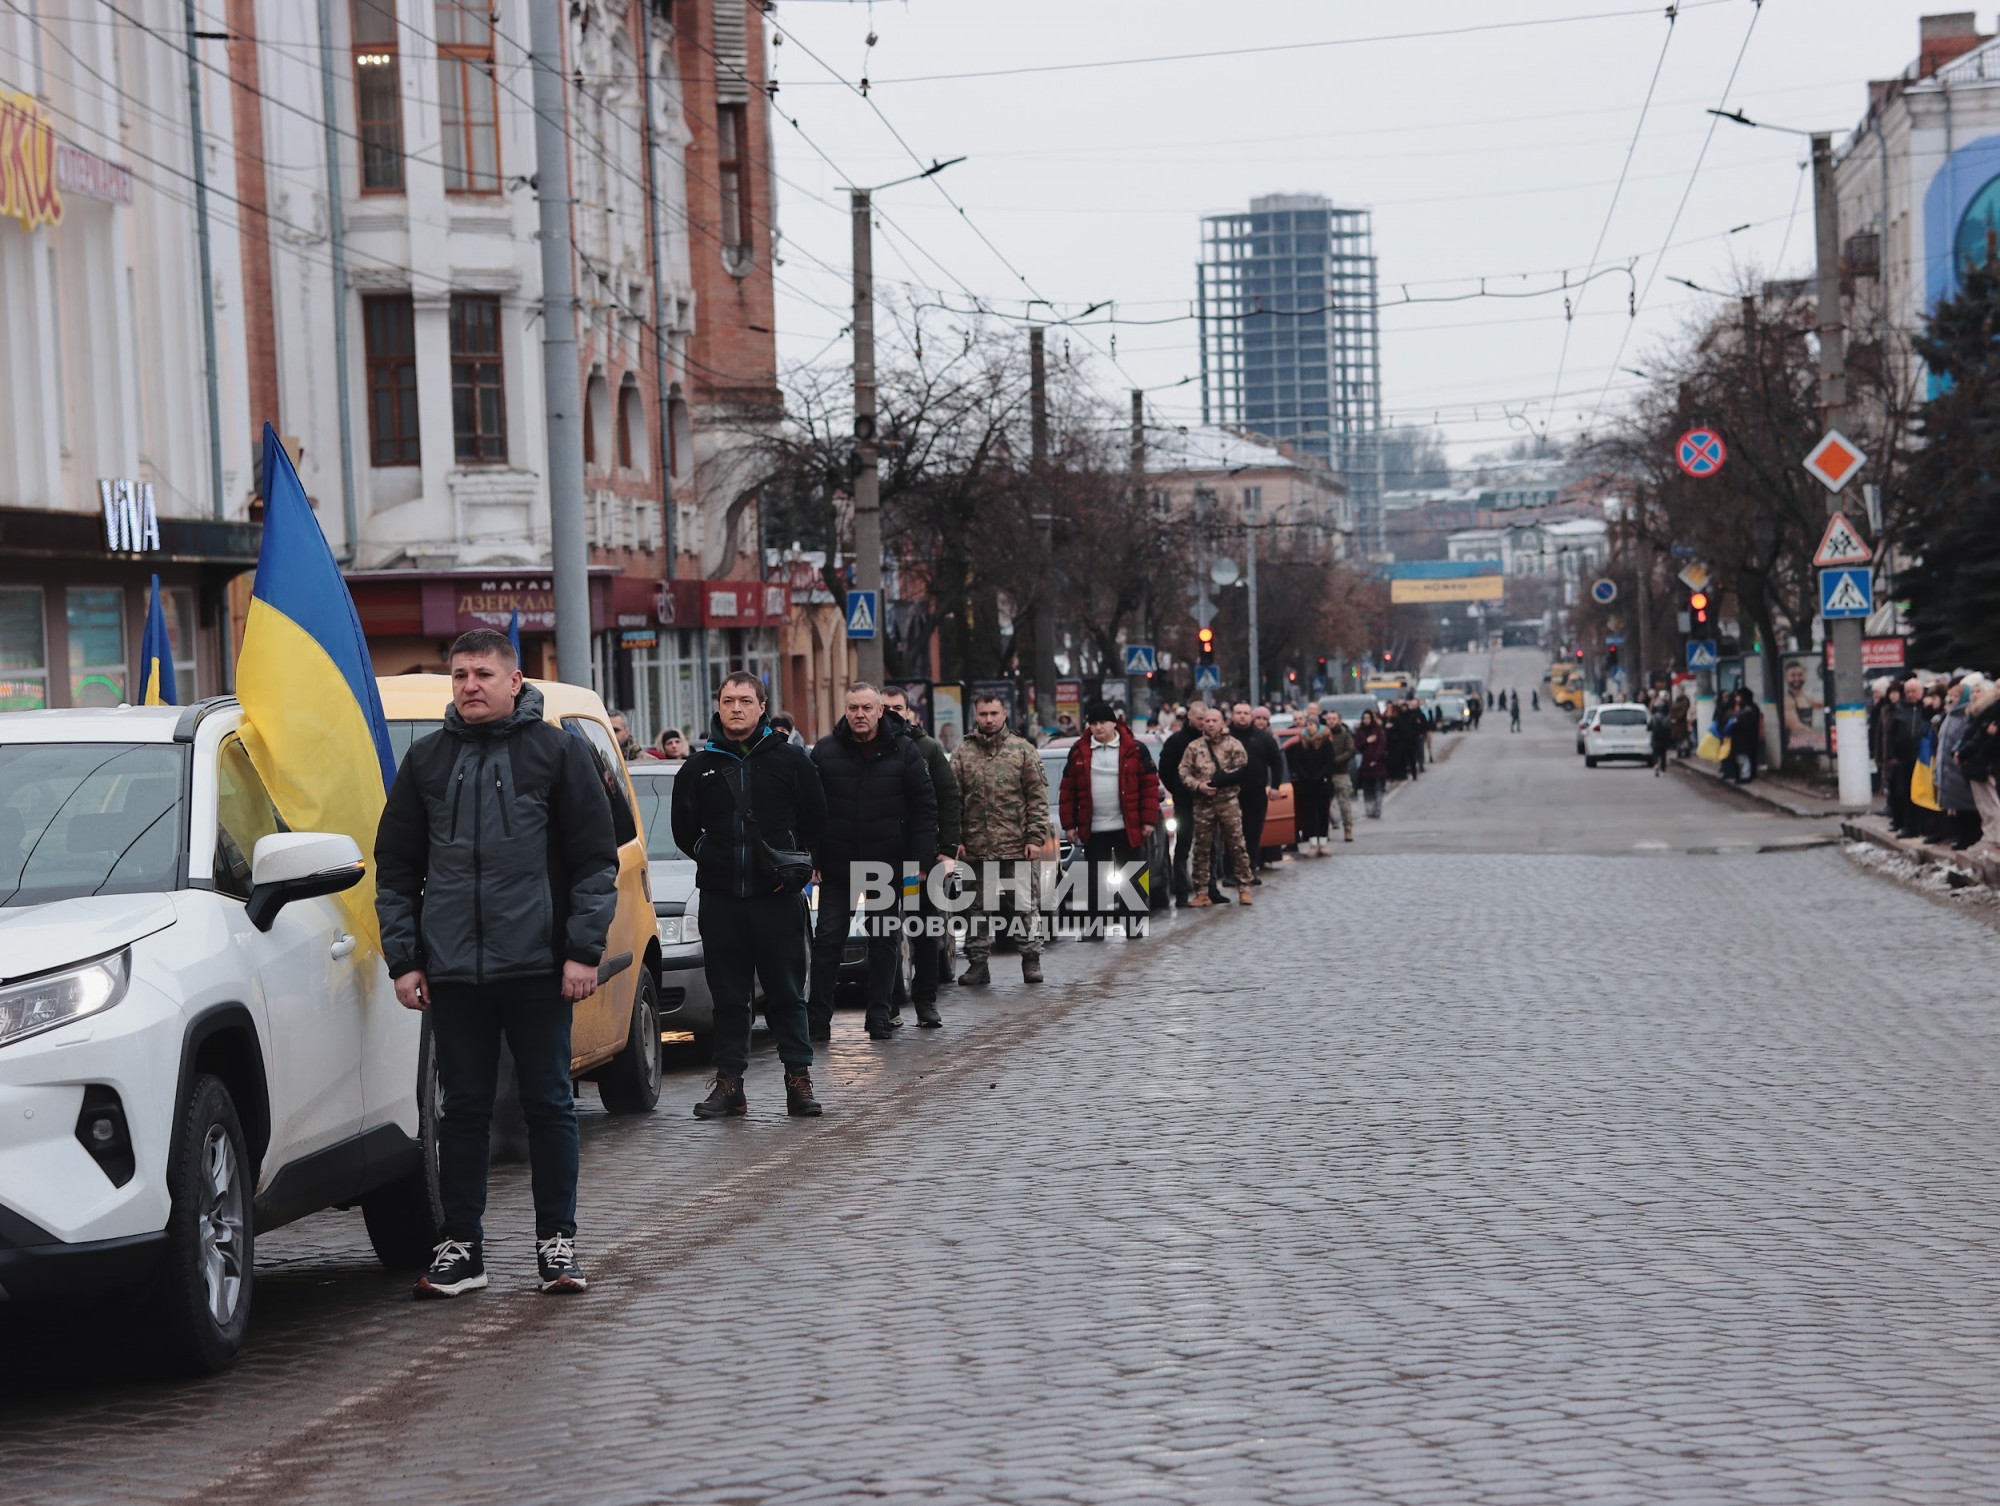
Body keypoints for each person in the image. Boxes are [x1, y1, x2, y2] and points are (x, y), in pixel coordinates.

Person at [375, 628, 619, 1300]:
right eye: (459, 675)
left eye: (483, 674)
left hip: (539, 968)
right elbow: (396, 868)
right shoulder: (427, 760)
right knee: (461, 1111)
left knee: (549, 1105)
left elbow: (594, 860)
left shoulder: (557, 752)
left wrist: (582, 951)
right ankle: (462, 1249)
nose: (470, 686)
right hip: (454, 973)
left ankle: (557, 1245)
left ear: (515, 681)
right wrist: (405, 959)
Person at [671, 672, 827, 1119]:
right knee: (728, 998)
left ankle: (799, 1081)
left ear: (762, 706)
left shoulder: (791, 760)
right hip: (721, 900)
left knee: (787, 994)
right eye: (728, 700)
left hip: (776, 899)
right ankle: (729, 1086)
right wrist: (711, 855)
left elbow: (818, 821)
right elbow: (683, 830)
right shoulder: (698, 767)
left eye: (744, 700)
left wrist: (796, 869)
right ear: (718, 706)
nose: (735, 708)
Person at [809, 683, 938, 1040]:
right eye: (853, 708)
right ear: (845, 710)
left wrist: (921, 861)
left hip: (888, 865)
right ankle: (817, 1020)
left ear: (880, 711)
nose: (860, 714)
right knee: (828, 940)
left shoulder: (904, 749)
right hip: (838, 865)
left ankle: (880, 1014)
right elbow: (810, 808)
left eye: (867, 708)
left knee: (883, 939)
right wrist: (813, 856)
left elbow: (925, 807)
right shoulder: (825, 751)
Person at [952, 693, 1053, 985]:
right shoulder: (963, 753)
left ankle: (1031, 960)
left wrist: (1035, 838)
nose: (988, 719)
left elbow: (1037, 799)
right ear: (976, 715)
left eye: (994, 713)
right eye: (983, 714)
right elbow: (953, 801)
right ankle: (978, 964)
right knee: (976, 908)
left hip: (1016, 846)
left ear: (1005, 714)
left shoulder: (1022, 750)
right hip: (976, 847)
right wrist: (955, 839)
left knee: (1024, 905)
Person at [882, 684, 961, 1021]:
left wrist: (947, 850)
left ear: (909, 712)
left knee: (924, 931)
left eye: (897, 708)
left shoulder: (926, 748)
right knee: (883, 933)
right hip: (880, 859)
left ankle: (925, 1001)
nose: (890, 714)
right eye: (884, 708)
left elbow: (947, 799)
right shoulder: (864, 748)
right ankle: (887, 1004)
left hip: (920, 860)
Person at [1059, 701, 1162, 935]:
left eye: (1102, 722)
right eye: (1093, 723)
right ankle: (1095, 927)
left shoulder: (1135, 749)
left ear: (1114, 723)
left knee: (1133, 876)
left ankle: (1133, 925)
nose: (1098, 727)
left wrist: (1148, 820)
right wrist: (1070, 825)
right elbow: (1067, 791)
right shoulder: (1079, 751)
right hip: (1094, 827)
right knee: (1094, 880)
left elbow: (1149, 786)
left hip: (1128, 826)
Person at [1179, 706, 1255, 907]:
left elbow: (1244, 770)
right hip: (1203, 804)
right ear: (1202, 724)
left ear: (1222, 723)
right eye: (1207, 721)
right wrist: (1198, 786)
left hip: (1228, 801)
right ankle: (1202, 891)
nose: (1211, 724)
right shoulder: (1194, 747)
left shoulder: (1233, 745)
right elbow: (1184, 772)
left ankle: (1244, 887)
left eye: (1215, 720)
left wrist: (1225, 780)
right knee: (1202, 848)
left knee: (1237, 845)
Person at [1228, 702, 1285, 879]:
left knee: (1253, 833)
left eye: (1245, 713)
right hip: (1229, 795)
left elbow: (1277, 762)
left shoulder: (1263, 738)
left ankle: (1250, 870)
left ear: (1250, 716)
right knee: (1231, 834)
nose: (1242, 716)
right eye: (1238, 713)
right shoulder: (1224, 737)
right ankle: (1231, 872)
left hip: (1256, 794)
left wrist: (1275, 786)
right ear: (1232, 715)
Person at [1158, 703, 1204, 906]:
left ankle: (1207, 888)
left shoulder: (1210, 740)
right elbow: (1165, 770)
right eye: (1199, 718)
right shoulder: (1176, 742)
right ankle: (1182, 892)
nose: (1203, 722)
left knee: (1208, 845)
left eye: (1205, 719)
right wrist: (1178, 789)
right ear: (1190, 717)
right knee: (1183, 846)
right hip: (1185, 801)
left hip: (1208, 801)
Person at [1289, 716, 1337, 855]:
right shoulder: (1302, 742)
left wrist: (1320, 776)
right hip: (1307, 784)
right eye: (1308, 724)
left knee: (1323, 814)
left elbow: (1330, 762)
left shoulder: (1325, 742)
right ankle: (1313, 844)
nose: (1310, 727)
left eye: (1312, 724)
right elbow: (1297, 762)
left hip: (1322, 783)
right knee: (1309, 814)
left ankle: (1323, 842)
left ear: (1317, 726)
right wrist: (1304, 776)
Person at [1354, 707, 1389, 817]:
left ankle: (1377, 809)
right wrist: (1366, 741)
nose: (1366, 720)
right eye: (1364, 718)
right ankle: (1369, 809)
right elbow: (1357, 746)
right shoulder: (1360, 732)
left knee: (1378, 788)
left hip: (1378, 765)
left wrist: (1375, 759)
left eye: (1368, 718)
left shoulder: (1378, 731)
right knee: (1367, 789)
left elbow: (1382, 746)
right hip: (1365, 765)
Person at [1731, 688, 1764, 784]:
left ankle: (1746, 776)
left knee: (1745, 757)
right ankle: (1746, 775)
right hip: (1743, 737)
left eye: (1739, 696)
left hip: (1745, 737)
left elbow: (1746, 723)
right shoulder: (1747, 707)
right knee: (1744, 757)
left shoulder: (1749, 709)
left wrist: (1736, 719)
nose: (1737, 698)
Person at [1648, 695, 1673, 776]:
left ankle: (1656, 764)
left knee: (1655, 753)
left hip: (1655, 738)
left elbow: (1649, 727)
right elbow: (1669, 728)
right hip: (1664, 739)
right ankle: (1662, 769)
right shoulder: (1667, 718)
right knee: (1663, 754)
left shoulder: (1654, 717)